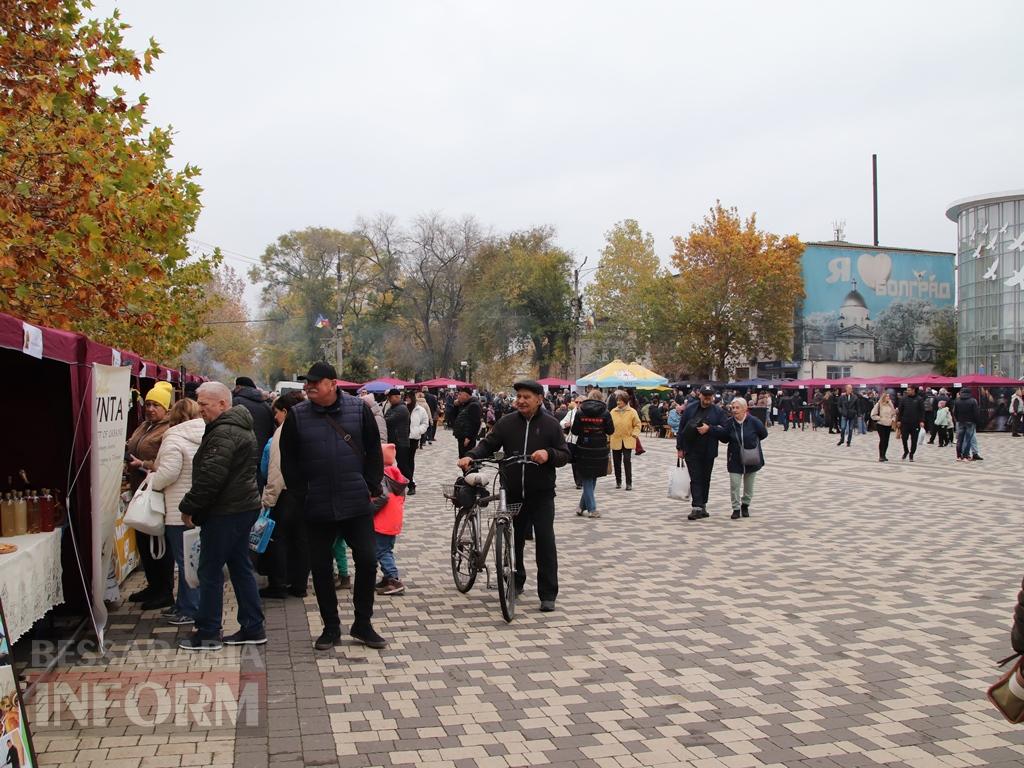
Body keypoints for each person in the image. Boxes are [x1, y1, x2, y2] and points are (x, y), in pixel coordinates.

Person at [280, 362, 386, 651]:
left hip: (356, 502)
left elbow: (373, 450)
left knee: (368, 561)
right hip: (316, 504)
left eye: (315, 382)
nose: (309, 386)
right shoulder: (297, 415)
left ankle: (363, 624)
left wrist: (370, 484)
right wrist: (301, 494)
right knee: (321, 567)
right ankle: (330, 627)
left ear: (332, 384)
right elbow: (288, 459)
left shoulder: (358, 409)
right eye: (307, 382)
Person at [457, 380, 570, 612]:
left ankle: (548, 593)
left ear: (539, 399)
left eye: (526, 397)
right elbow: (488, 444)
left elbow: (564, 454)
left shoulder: (550, 424)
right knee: (513, 540)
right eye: (518, 396)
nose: (521, 401)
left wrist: (548, 454)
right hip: (513, 492)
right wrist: (471, 455)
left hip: (541, 494)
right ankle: (515, 582)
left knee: (545, 543)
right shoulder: (507, 422)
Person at [178, 382, 266, 651]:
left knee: (210, 570)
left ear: (223, 404)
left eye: (204, 404)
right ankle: (253, 627)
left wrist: (189, 506)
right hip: (240, 507)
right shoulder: (235, 427)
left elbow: (211, 478)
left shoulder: (224, 432)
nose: (200, 409)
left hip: (226, 511)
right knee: (240, 567)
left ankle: (208, 632)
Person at [149, 398, 204, 625]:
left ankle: (190, 608)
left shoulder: (174, 437)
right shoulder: (206, 433)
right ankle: (183, 604)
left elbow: (169, 472)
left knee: (184, 561)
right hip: (199, 503)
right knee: (191, 558)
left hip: (178, 507)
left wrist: (153, 481)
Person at [125, 381, 174, 610]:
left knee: (158, 543)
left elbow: (167, 464)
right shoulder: (144, 426)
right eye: (148, 404)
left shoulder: (168, 430)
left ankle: (164, 590)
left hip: (157, 494)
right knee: (144, 542)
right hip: (140, 492)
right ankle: (153, 585)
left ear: (166, 408)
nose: (151, 409)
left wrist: (143, 464)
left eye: (156, 405)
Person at [260, 391, 308, 599]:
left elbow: (276, 470)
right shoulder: (309, 425)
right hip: (306, 493)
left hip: (286, 494)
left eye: (277, 412)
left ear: (286, 411)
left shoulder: (283, 432)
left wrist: (268, 499)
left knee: (278, 538)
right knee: (302, 540)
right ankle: (299, 585)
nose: (275, 417)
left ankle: (278, 584)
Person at [677, 385, 728, 520]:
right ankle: (697, 507)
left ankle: (703, 504)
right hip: (691, 450)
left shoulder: (718, 412)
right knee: (695, 478)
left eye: (709, 395)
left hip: (708, 451)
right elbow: (681, 428)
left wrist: (709, 429)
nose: (707, 398)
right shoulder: (690, 409)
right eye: (705, 395)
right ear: (699, 395)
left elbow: (725, 432)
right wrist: (679, 448)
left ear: (713, 396)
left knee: (705, 479)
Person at [714, 398, 767, 519]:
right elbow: (725, 439)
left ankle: (745, 505)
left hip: (751, 457)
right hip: (735, 458)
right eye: (733, 408)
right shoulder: (729, 422)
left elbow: (763, 434)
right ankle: (736, 508)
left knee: (749, 486)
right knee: (735, 485)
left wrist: (752, 443)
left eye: (737, 408)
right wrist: (717, 431)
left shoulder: (754, 421)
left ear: (745, 409)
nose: (734, 410)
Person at [571, 390, 614, 519]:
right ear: (601, 398)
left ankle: (581, 506)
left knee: (588, 477)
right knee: (591, 477)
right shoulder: (605, 412)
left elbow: (575, 431)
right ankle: (592, 509)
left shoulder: (580, 411)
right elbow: (611, 430)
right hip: (599, 448)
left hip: (583, 448)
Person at [373, 443, 408, 596]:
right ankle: (387, 578)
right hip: (393, 520)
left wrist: (370, 509)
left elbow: (383, 497)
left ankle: (393, 579)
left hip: (382, 520)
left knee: (381, 551)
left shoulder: (381, 475)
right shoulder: (396, 474)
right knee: (386, 548)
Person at [233, 377, 275, 487]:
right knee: (257, 488)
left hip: (241, 455)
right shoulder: (265, 406)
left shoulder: (236, 402)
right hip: (260, 455)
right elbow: (271, 430)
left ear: (239, 387)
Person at [609, 391, 641, 491]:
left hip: (628, 439)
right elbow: (609, 426)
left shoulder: (632, 411)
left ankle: (628, 483)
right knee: (616, 462)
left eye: (620, 400)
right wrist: (608, 437)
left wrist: (635, 434)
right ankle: (618, 481)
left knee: (627, 461)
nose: (618, 402)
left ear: (625, 401)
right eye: (617, 400)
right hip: (615, 439)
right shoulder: (613, 412)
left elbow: (637, 424)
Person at [383, 389, 412, 494]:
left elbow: (387, 420)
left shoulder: (402, 409)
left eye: (390, 398)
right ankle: (399, 484)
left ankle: (411, 484)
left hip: (401, 441)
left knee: (403, 465)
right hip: (393, 440)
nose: (389, 400)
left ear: (396, 397)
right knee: (396, 465)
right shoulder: (393, 408)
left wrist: (384, 418)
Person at [406, 391, 431, 496]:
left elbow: (425, 422)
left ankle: (410, 483)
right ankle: (406, 481)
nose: (407, 399)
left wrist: (418, 431)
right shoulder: (403, 408)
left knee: (409, 460)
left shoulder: (420, 410)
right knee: (402, 461)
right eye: (406, 397)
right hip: (402, 438)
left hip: (413, 438)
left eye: (409, 397)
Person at [451, 386, 482, 458]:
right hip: (462, 435)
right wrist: (456, 406)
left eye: (460, 395)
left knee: (467, 458)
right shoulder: (464, 404)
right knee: (462, 457)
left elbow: (476, 423)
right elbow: (455, 417)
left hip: (467, 437)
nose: (458, 397)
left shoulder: (474, 405)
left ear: (466, 395)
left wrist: (469, 437)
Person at [897, 385, 925, 461]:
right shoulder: (904, 399)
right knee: (904, 438)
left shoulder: (919, 399)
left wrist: (922, 421)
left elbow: (922, 411)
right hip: (905, 422)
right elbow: (900, 410)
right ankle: (906, 451)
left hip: (915, 423)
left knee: (914, 440)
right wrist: (899, 420)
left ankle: (911, 454)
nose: (907, 391)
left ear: (913, 390)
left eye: (909, 390)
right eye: (907, 390)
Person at [952, 388, 981, 462]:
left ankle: (958, 456)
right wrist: (977, 421)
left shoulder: (957, 401)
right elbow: (976, 413)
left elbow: (954, 412)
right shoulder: (973, 401)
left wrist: (958, 419)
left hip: (960, 422)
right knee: (968, 439)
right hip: (970, 422)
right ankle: (965, 456)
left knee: (960, 439)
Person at [869, 392, 897, 462]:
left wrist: (892, 419)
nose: (888, 398)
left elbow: (894, 414)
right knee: (882, 439)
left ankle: (884, 455)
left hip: (888, 424)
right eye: (887, 396)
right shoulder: (879, 404)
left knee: (886, 440)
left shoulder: (890, 404)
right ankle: (881, 455)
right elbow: (873, 415)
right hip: (881, 424)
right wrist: (880, 418)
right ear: (883, 397)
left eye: (889, 397)